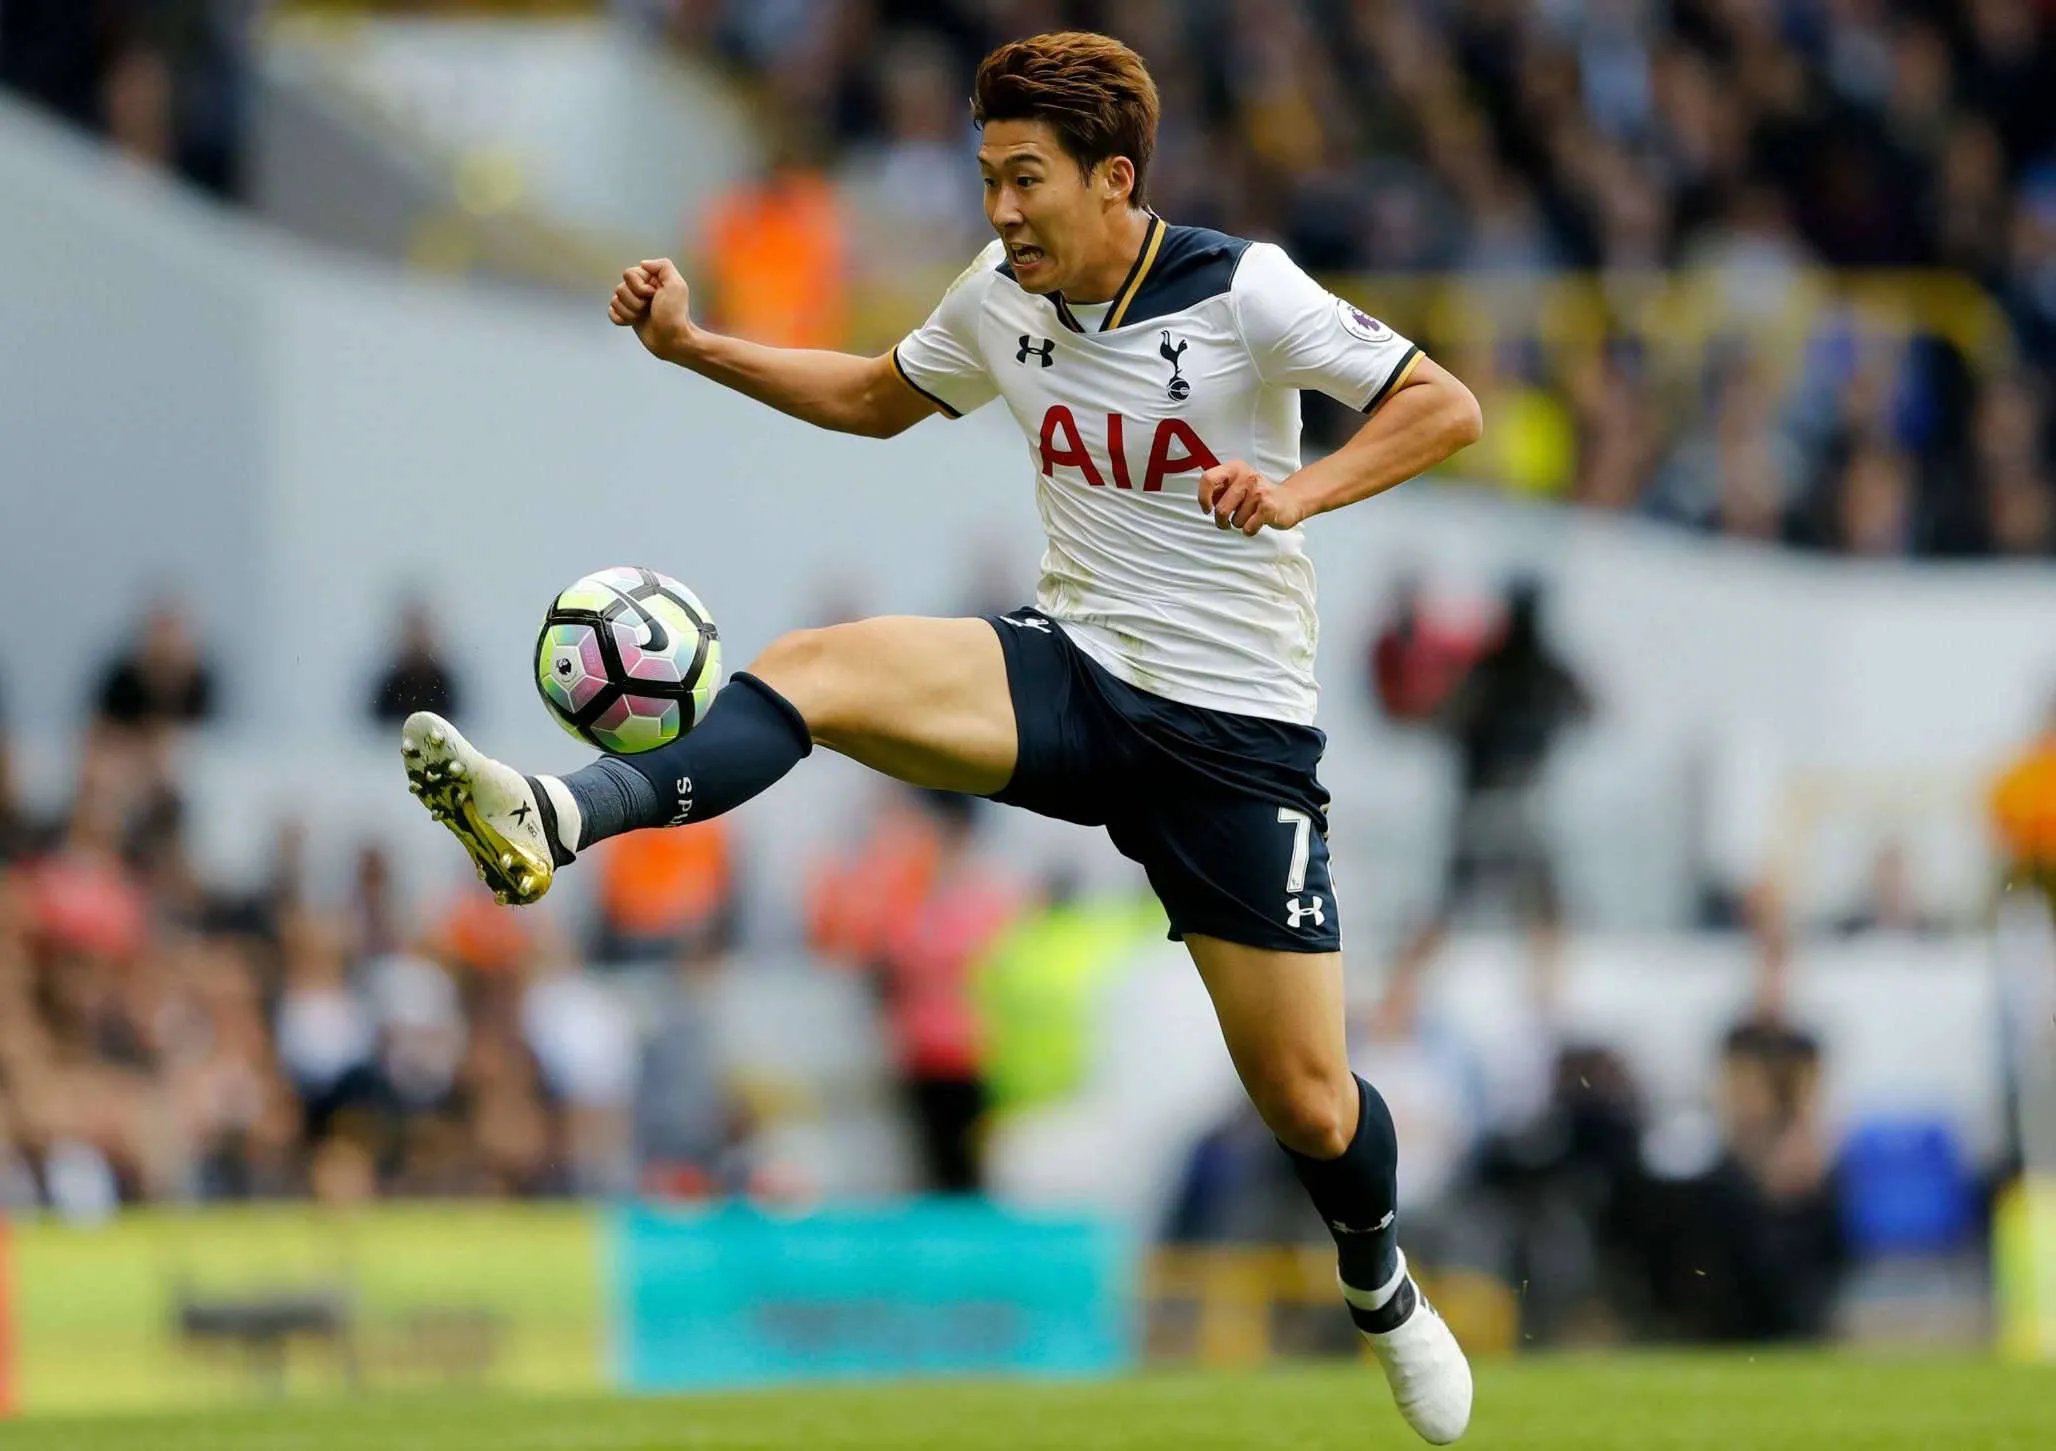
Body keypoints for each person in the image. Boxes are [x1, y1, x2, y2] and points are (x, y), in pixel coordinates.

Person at [401, 31, 1481, 1441]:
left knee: (1310, 1103)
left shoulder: (1242, 290)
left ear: (1114, 180)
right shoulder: (998, 296)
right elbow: (872, 398)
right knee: (816, 669)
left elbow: (1442, 405)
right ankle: (558, 814)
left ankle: (1380, 1280)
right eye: (989, 178)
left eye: (1026, 179)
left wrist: (1297, 492)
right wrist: (693, 346)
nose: (1002, 209)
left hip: (1232, 740)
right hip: (1074, 674)